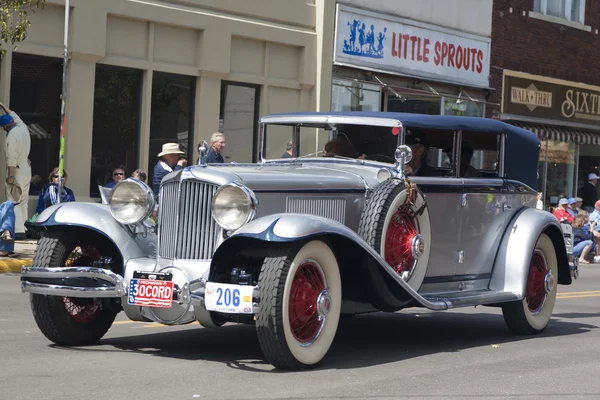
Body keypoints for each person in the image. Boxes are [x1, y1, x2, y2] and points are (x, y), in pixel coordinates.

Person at [0, 102, 31, 240]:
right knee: (23, 199)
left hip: (16, 169)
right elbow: (13, 114)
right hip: (26, 167)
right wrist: (2, 105)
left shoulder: (12, 136)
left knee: (13, 200)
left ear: (6, 126)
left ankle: (18, 231)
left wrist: (11, 177)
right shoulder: (23, 127)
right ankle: (24, 226)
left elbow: (11, 158)